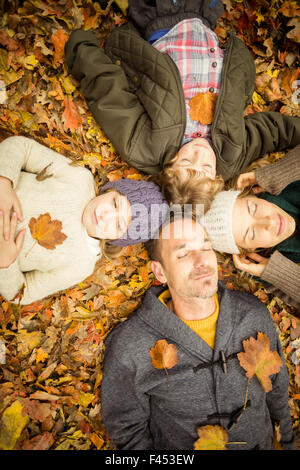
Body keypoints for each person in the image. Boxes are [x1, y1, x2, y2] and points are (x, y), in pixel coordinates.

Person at [65, 0, 300, 203]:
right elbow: (270, 133)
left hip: (163, 23)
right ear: (218, 176)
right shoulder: (231, 153)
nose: (199, 154)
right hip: (205, 21)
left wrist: (81, 48)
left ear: (170, 167)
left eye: (187, 162)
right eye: (207, 168)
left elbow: (109, 95)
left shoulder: (147, 148)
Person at [101, 212, 294, 450]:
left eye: (206, 247)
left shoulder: (254, 315)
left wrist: (285, 443)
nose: (201, 260)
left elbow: (277, 391)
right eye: (183, 254)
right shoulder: (130, 346)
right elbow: (126, 429)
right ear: (160, 272)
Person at [0, 136, 168, 305]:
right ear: (111, 190)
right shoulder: (78, 179)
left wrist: (6, 263)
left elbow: (24, 294)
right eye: (115, 203)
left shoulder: (81, 265)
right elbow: (24, 149)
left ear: (118, 239)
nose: (106, 215)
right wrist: (4, 182)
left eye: (118, 224)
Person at [203, 145, 300, 308]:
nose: (269, 222)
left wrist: (276, 174)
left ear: (255, 195)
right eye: (252, 234)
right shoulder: (280, 269)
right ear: (251, 252)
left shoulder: (289, 181)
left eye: (253, 208)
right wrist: (279, 274)